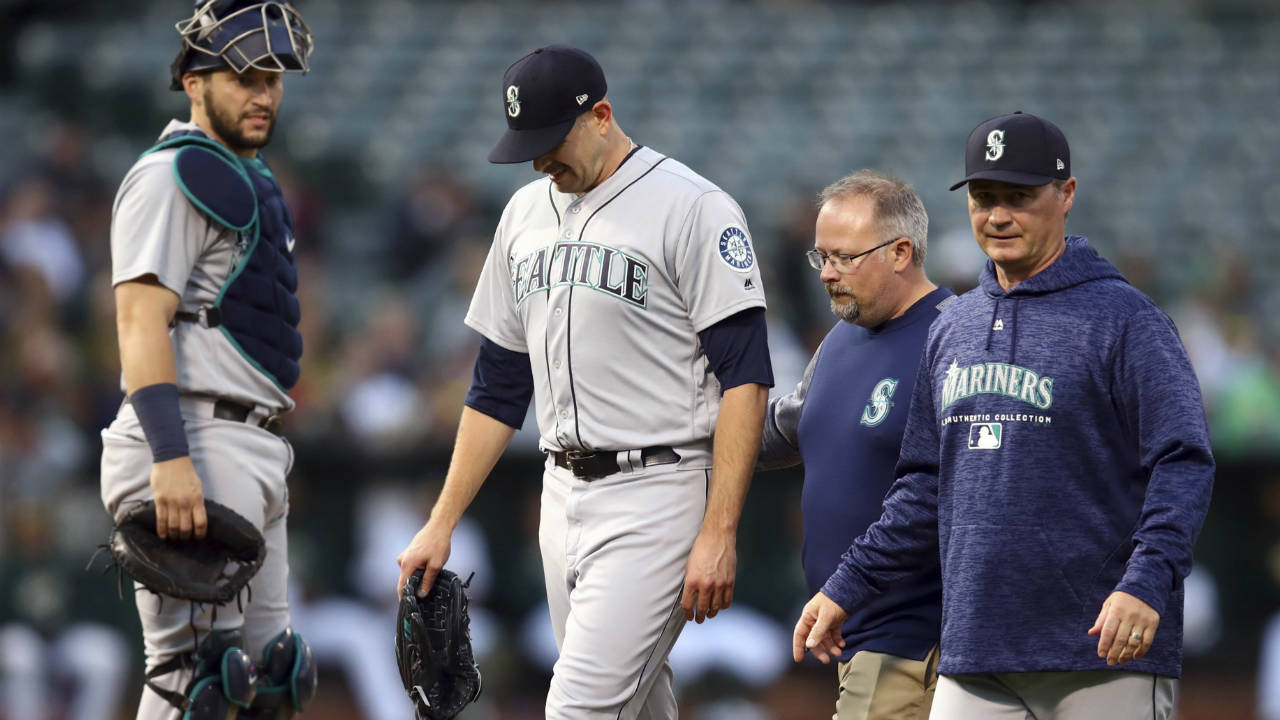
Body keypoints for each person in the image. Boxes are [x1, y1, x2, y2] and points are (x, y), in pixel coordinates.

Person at [793, 111, 1215, 719]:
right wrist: (845, 587)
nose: (997, 215)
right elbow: (922, 486)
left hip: (1099, 648)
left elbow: (1183, 461)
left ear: (1065, 195)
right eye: (985, 197)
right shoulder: (954, 327)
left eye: (1019, 197)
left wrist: (1147, 582)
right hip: (975, 653)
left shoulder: (1126, 320)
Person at [396, 44, 773, 719]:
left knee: (579, 709)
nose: (540, 161)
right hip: (559, 494)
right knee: (637, 704)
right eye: (526, 145)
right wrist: (440, 521)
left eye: (550, 142)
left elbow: (746, 379)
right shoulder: (522, 215)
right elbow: (497, 386)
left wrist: (719, 529)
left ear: (601, 115)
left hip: (660, 489)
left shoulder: (692, 207)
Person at [99, 1, 318, 717]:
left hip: (249, 443)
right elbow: (138, 321)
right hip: (189, 436)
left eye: (274, 78)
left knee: (269, 684)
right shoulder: (173, 175)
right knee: (198, 680)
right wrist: (169, 456)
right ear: (195, 81)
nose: (264, 94)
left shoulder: (247, 176)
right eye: (244, 77)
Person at [759, 170, 953, 720]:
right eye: (820, 257)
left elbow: (939, 490)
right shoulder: (842, 337)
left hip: (917, 642)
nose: (826, 273)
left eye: (843, 257)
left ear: (900, 251)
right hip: (854, 631)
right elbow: (787, 430)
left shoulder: (953, 335)